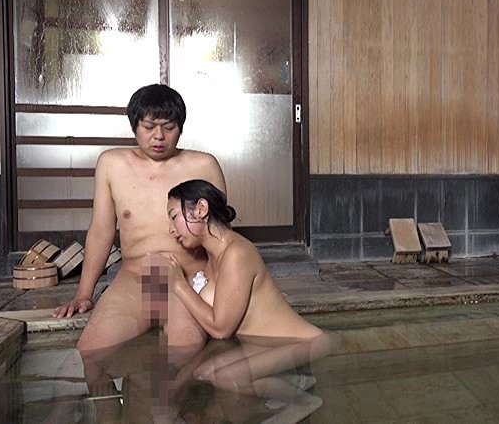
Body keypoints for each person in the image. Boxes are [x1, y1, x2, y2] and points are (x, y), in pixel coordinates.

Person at [52, 84, 227, 357]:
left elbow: (223, 236)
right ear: (134, 126)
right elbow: (101, 232)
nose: (159, 136)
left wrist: (245, 287)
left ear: (181, 128)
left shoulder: (204, 165)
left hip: (192, 278)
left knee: (185, 351)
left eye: (169, 127)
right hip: (135, 278)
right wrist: (84, 294)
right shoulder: (111, 164)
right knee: (90, 351)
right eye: (149, 127)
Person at [165, 179, 337, 421]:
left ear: (201, 209)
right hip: (264, 344)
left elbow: (221, 329)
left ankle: (304, 401)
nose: (171, 229)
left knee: (226, 376)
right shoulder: (213, 258)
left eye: (174, 217)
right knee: (203, 372)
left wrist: (180, 286)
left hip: (303, 343)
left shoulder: (236, 253)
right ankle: (291, 381)